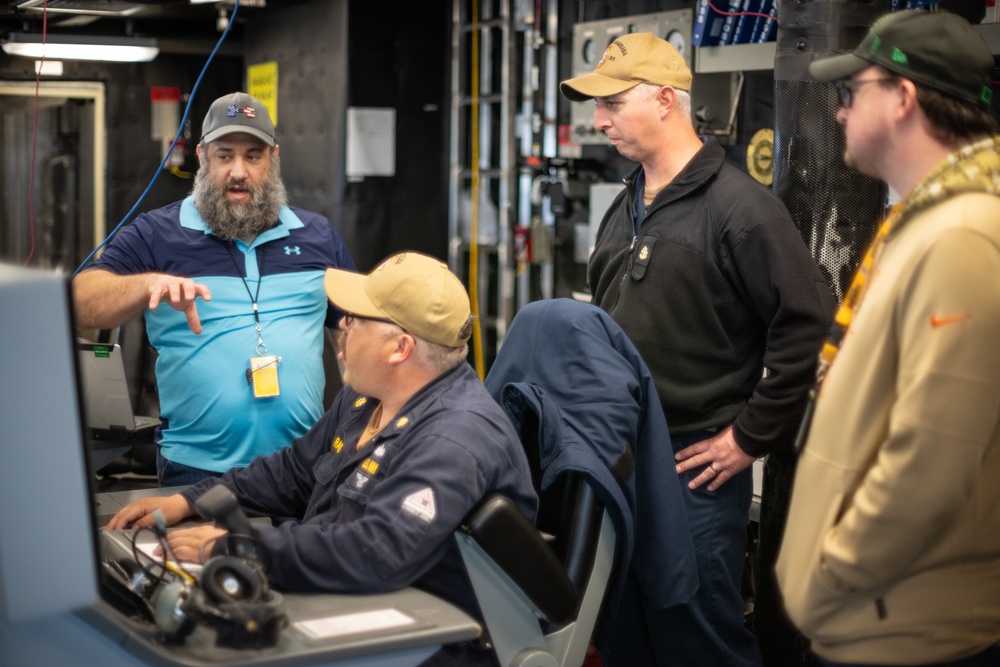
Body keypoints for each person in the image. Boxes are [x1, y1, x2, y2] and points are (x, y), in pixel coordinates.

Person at [105, 251, 538, 666]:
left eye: (356, 319)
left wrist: (238, 548)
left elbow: (375, 553)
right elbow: (292, 470)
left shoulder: (455, 437)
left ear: (399, 348)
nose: (343, 326)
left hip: (425, 639)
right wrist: (190, 501)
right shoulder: (366, 397)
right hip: (341, 594)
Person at [560, 32, 833, 666]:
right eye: (596, 106)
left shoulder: (741, 209)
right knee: (626, 634)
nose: (598, 120)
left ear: (665, 100)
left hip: (693, 475)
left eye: (613, 104)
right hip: (619, 464)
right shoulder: (626, 203)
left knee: (700, 639)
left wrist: (749, 436)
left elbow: (808, 324)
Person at [776, 10, 1000, 667]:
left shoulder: (961, 235)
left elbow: (929, 465)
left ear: (903, 97)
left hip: (914, 628)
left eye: (853, 91)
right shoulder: (925, 217)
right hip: (889, 615)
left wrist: (832, 575)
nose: (839, 112)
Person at [73, 91, 355, 486]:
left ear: (274, 158)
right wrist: (148, 284)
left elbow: (355, 329)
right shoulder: (157, 234)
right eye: (225, 155)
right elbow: (79, 301)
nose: (238, 171)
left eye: (253, 156)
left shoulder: (317, 236)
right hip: (196, 471)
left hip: (301, 468)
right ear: (203, 156)